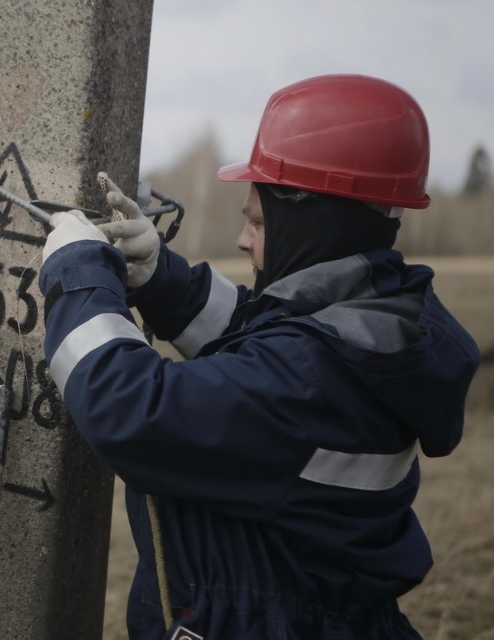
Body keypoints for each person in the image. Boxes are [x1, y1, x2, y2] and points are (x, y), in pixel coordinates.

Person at [38, 74, 480, 638]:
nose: (243, 240)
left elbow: (127, 406)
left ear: (312, 226)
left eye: (258, 221)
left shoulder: (307, 376)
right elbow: (256, 337)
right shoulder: (375, 324)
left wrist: (78, 272)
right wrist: (159, 277)